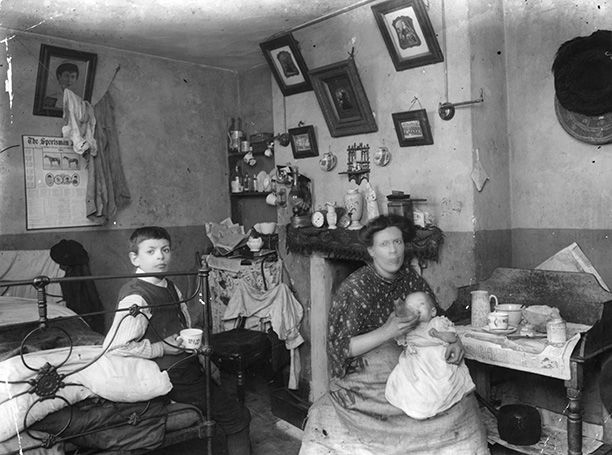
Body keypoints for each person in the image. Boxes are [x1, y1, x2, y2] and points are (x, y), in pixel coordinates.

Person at [299, 214, 488, 455]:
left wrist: (456, 341)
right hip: (370, 375)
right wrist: (387, 331)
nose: (393, 251)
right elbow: (340, 349)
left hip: (418, 367)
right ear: (371, 251)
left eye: (397, 242)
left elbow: (438, 319)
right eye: (384, 244)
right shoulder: (355, 288)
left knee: (464, 405)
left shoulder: (412, 280)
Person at [103, 226, 251, 455]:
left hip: (185, 368)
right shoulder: (136, 296)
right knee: (238, 416)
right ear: (135, 258)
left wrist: (199, 354)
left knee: (223, 395)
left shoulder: (169, 285)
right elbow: (115, 347)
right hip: (170, 376)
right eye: (150, 251)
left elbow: (183, 325)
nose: (160, 256)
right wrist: (161, 347)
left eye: (165, 249)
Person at [385, 291, 476, 420]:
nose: (416, 309)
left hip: (436, 360)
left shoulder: (438, 323)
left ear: (432, 311)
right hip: (416, 362)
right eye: (410, 307)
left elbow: (452, 337)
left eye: (420, 305)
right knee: (410, 385)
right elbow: (398, 338)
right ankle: (419, 407)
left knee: (442, 384)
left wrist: (439, 335)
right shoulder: (408, 329)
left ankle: (438, 403)